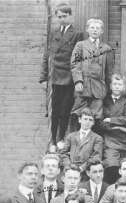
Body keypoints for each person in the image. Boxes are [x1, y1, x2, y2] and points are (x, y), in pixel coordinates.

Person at [39, 3, 84, 150]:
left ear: (70, 16)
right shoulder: (53, 32)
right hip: (54, 77)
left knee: (65, 110)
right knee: (54, 110)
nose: (62, 19)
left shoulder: (77, 34)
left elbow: (78, 59)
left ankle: (61, 138)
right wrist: (43, 77)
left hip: (68, 78)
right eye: (59, 17)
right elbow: (47, 55)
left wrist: (77, 78)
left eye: (64, 16)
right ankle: (52, 140)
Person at [70, 18, 112, 124]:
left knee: (97, 117)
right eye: (92, 28)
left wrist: (108, 87)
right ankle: (74, 140)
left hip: (99, 88)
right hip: (83, 87)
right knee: (78, 115)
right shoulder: (81, 45)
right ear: (87, 30)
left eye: (98, 28)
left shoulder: (106, 48)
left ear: (101, 31)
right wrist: (78, 81)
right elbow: (75, 64)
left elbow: (108, 70)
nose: (95, 30)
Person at [97, 73, 126, 183]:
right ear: (110, 86)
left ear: (123, 86)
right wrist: (119, 126)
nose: (117, 86)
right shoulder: (104, 102)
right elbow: (100, 123)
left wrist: (111, 120)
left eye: (120, 84)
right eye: (115, 84)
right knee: (111, 167)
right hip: (110, 142)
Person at [58, 107, 103, 176]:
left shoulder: (97, 138)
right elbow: (63, 153)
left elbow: (96, 157)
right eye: (85, 119)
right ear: (80, 120)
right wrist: (69, 165)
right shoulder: (71, 136)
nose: (87, 122)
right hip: (70, 171)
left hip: (86, 173)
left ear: (93, 123)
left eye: (90, 120)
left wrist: (82, 168)